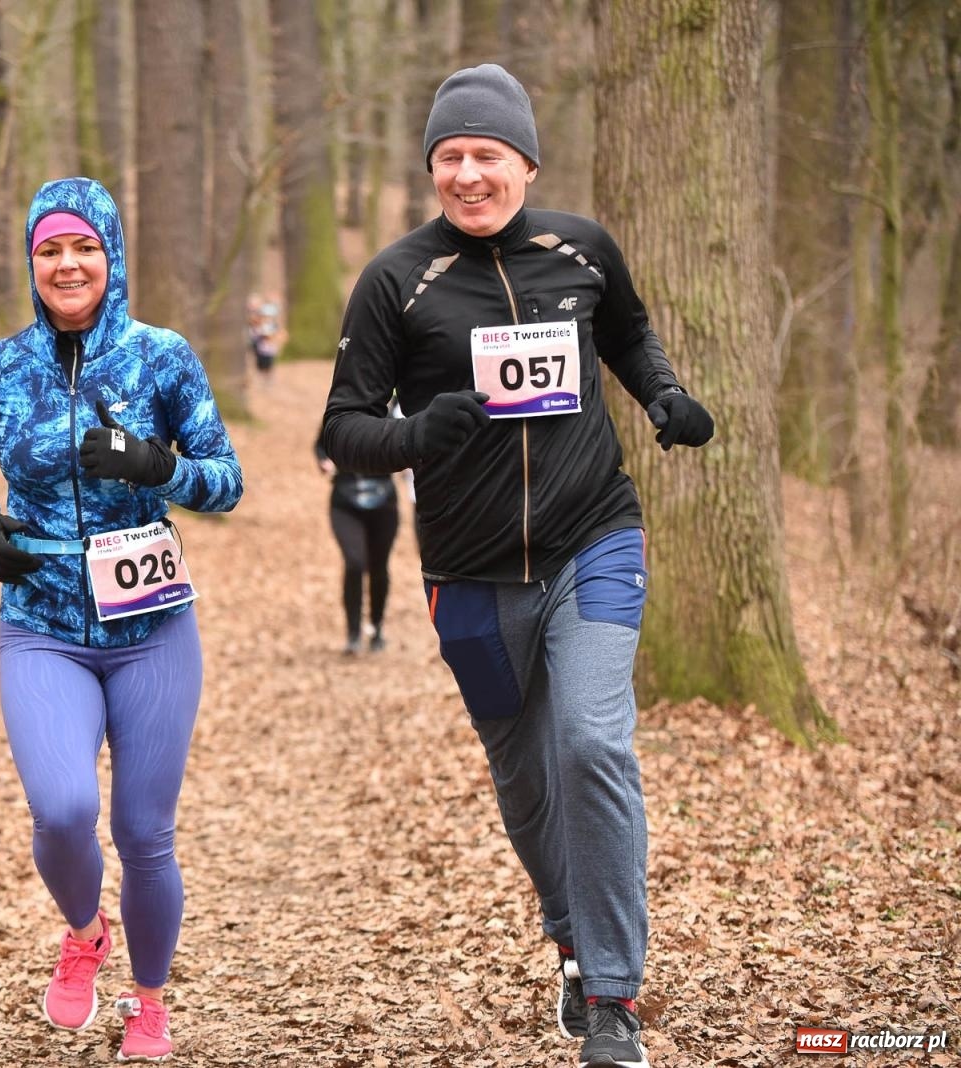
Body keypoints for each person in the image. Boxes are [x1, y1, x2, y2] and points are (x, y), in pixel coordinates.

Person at [319, 64, 714, 1068]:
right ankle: (572, 941)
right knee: (529, 784)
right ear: (431, 169)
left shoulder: (581, 250)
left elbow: (627, 334)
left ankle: (615, 998)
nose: (467, 174)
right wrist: (418, 433)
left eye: (486, 154)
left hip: (594, 537)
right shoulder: (397, 280)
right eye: (449, 156)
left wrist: (663, 396)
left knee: (591, 742)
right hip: (471, 574)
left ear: (526, 163)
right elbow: (343, 429)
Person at [0, 176, 243, 1063]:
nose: (67, 265)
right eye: (50, 250)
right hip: (40, 618)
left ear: (112, 256)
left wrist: (157, 466)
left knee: (144, 834)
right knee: (64, 809)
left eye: (84, 248)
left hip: (152, 625)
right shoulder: (0, 367)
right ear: (30, 261)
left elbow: (226, 481)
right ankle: (84, 933)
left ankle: (150, 1003)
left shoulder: (163, 358)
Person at [314, 435, 399, 655]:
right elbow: (322, 444)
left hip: (384, 499)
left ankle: (376, 628)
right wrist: (324, 460)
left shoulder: (388, 419)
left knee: (379, 566)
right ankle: (353, 634)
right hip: (345, 499)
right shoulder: (338, 414)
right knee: (355, 562)